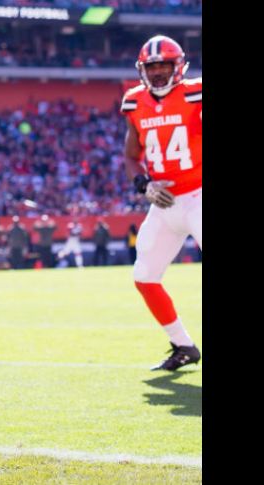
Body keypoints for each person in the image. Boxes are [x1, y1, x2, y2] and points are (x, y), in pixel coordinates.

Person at [120, 35, 202, 371]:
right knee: (144, 276)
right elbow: (130, 156)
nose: (156, 72)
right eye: (151, 66)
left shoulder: (195, 94)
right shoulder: (134, 101)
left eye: (163, 65)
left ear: (178, 66)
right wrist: (143, 184)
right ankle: (183, 345)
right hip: (165, 201)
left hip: (198, 193)